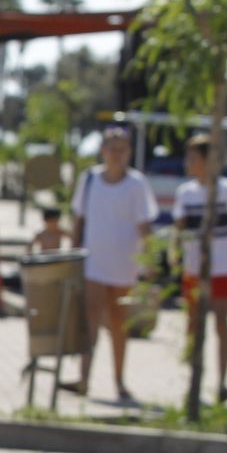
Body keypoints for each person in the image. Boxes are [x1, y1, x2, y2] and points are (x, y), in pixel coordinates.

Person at [69, 126, 157, 403]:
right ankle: (84, 379)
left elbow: (144, 225)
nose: (116, 154)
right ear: (102, 150)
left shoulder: (136, 184)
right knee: (91, 319)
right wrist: (72, 254)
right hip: (94, 262)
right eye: (112, 148)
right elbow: (79, 220)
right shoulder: (90, 179)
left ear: (129, 152)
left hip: (124, 265)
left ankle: (119, 380)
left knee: (119, 324)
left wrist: (150, 260)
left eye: (122, 149)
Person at [175, 134, 227, 404]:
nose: (188, 163)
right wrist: (176, 258)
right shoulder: (185, 192)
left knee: (221, 321)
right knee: (192, 322)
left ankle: (222, 382)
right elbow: (179, 230)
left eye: (193, 158)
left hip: (222, 265)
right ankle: (194, 382)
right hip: (193, 267)